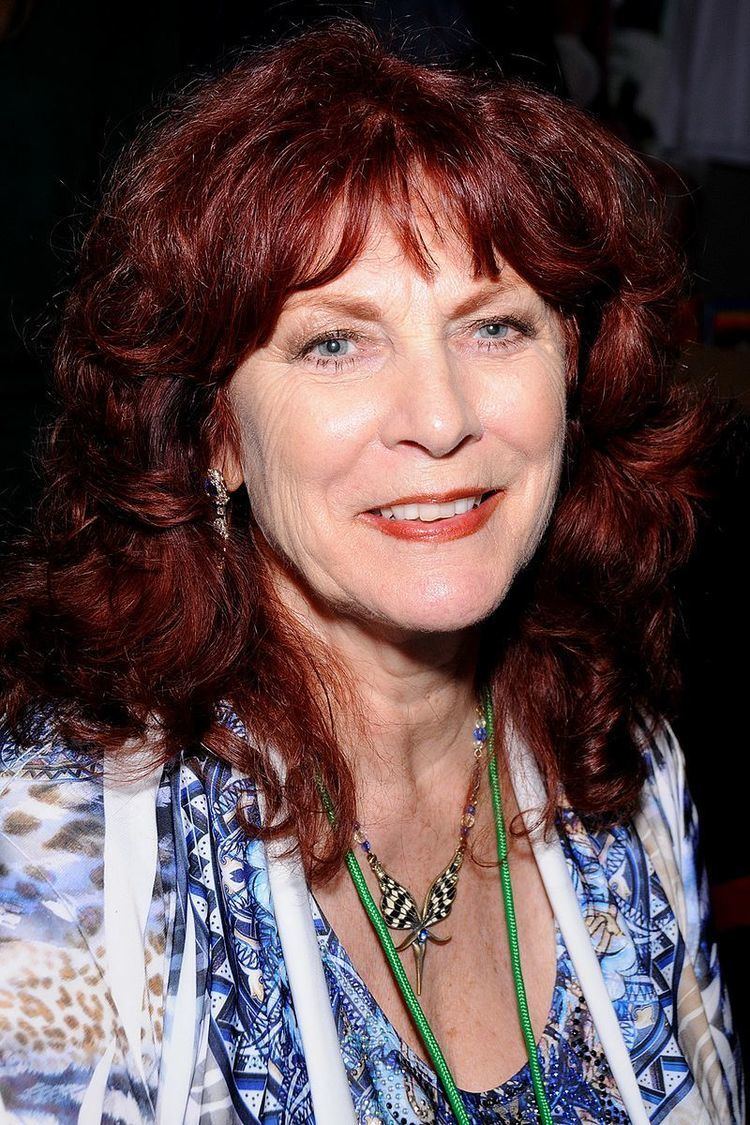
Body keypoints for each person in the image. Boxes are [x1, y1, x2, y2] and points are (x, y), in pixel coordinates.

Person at [0, 16, 744, 1125]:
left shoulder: (623, 764)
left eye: (494, 326)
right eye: (333, 344)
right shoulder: (61, 859)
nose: (441, 420)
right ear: (213, 434)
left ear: (575, 374)